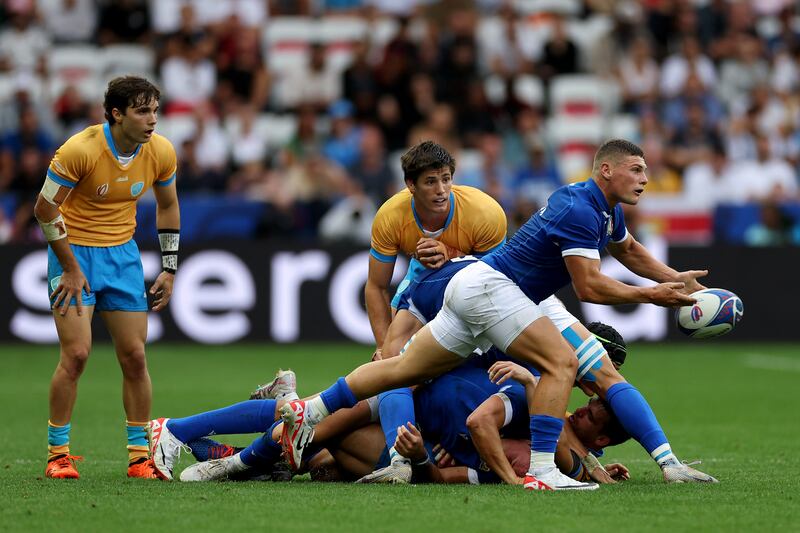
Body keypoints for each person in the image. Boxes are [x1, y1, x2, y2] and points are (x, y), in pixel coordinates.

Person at [278, 139, 712, 491]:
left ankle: (309, 410)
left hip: (475, 289)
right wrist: (654, 295)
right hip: (496, 293)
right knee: (560, 361)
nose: (645, 178)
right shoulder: (580, 210)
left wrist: (677, 279)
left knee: (402, 369)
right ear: (606, 170)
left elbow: (629, 250)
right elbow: (589, 286)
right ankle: (543, 471)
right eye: (636, 169)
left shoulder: (602, 208)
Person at [33, 76, 180, 480]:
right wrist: (70, 267)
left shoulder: (161, 151)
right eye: (142, 111)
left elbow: (167, 206)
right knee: (77, 354)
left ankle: (138, 457)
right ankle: (58, 454)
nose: (152, 120)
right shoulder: (80, 150)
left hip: (122, 257)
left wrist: (169, 267)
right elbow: (44, 209)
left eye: (154, 110)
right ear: (116, 114)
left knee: (134, 357)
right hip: (73, 254)